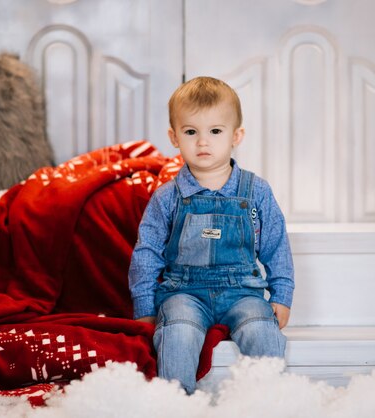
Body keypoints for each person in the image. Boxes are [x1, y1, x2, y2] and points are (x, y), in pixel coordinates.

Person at [128, 76, 294, 394]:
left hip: (243, 292)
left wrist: (282, 294)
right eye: (191, 132)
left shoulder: (255, 190)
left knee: (261, 328)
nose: (203, 142)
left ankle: (267, 400)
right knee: (178, 331)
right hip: (184, 292)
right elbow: (146, 253)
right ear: (174, 137)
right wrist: (145, 308)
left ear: (236, 135)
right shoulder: (167, 197)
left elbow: (276, 244)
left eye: (215, 131)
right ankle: (177, 402)